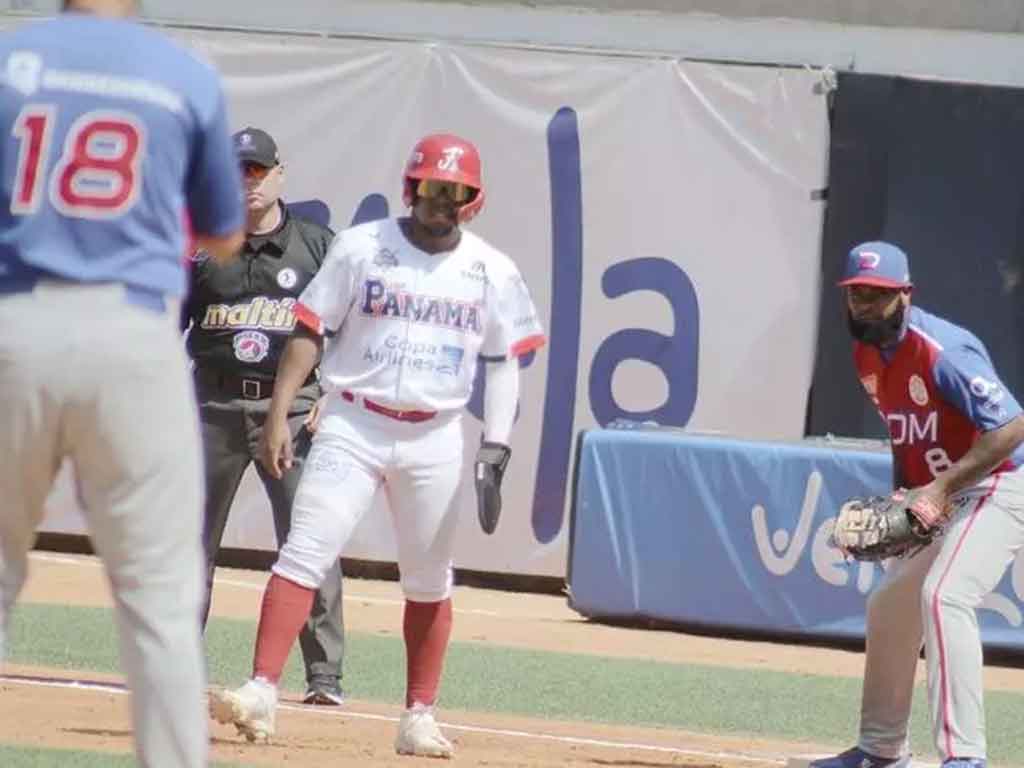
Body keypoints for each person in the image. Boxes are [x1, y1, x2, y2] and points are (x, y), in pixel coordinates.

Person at [209, 133, 546, 756]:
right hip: (354, 422)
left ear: (474, 200)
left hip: (434, 434)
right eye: (431, 186)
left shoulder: (492, 269)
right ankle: (261, 689)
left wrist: (496, 445)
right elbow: (310, 328)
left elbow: (505, 361)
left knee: (428, 578)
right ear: (410, 187)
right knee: (304, 552)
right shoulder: (362, 246)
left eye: (455, 190)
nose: (441, 199)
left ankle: (419, 715)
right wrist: (281, 411)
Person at [0, 1, 245, 766]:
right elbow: (224, 234)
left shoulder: (10, 61)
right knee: (160, 596)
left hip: (14, 323)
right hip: (132, 334)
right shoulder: (183, 73)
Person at [812, 241, 1024, 768]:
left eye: (878, 294)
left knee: (944, 595)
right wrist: (905, 499)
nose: (866, 305)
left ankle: (965, 757)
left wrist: (938, 490)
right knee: (889, 604)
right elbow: (907, 436)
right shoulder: (867, 355)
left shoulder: (943, 350)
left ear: (905, 295)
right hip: (948, 488)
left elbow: (1011, 427)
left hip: (1002, 481)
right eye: (857, 294)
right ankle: (881, 751)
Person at [182, 126, 346, 706]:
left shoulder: (317, 245)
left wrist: (336, 391)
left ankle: (324, 677)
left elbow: (355, 327)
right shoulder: (201, 247)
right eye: (236, 172)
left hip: (293, 408)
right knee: (190, 541)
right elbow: (165, 323)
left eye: (257, 170)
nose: (247, 182)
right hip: (213, 405)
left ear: (280, 173)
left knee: (310, 537)